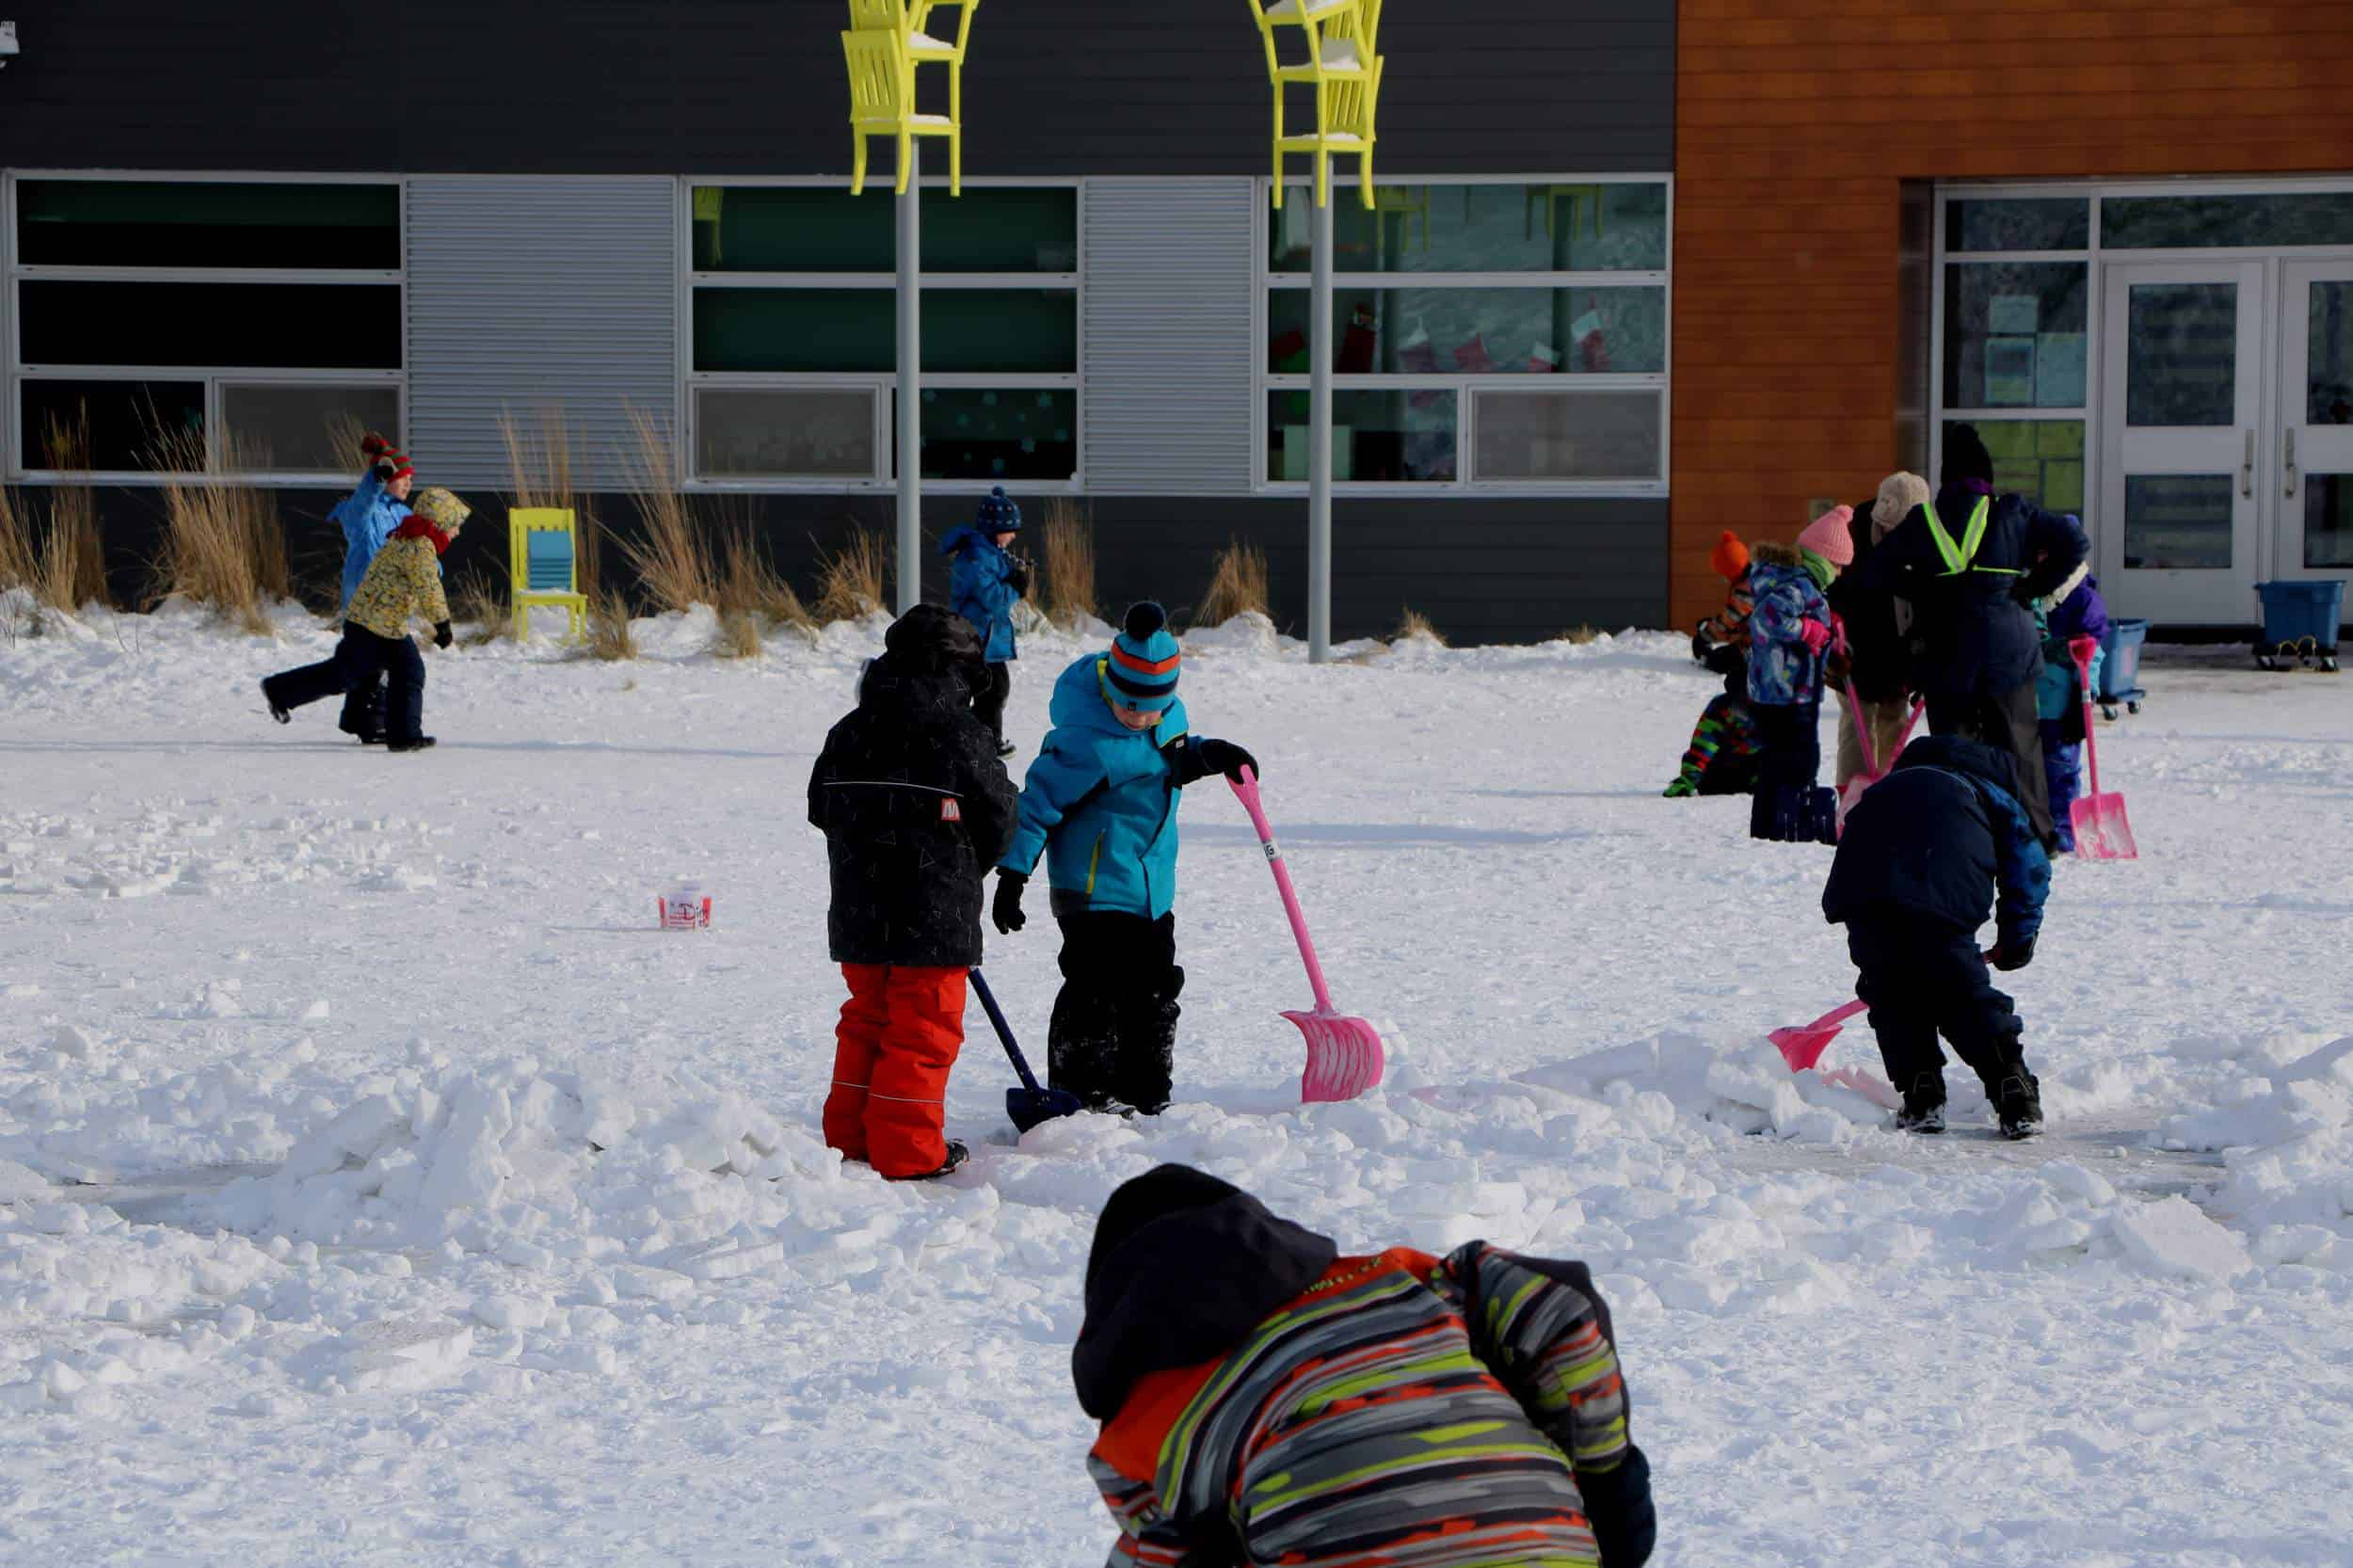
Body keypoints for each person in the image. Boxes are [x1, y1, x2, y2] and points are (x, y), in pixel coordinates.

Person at [1075, 1164, 1657, 1568]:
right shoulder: (1404, 1288)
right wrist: (1606, 1483)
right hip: (1546, 1544)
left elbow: (1160, 1550)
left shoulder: (1159, 1412)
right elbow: (1560, 1308)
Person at [990, 603, 1257, 1116]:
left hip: (1149, 884)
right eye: (1127, 705)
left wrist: (1208, 754)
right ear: (1110, 687)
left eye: (1150, 708)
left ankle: (1146, 1088)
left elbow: (1170, 753)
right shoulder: (1084, 742)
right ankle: (1083, 1093)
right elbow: (1036, 806)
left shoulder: (1165, 717)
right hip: (1091, 887)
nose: (1137, 716)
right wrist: (1013, 874)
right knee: (1097, 989)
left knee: (1155, 988)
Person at [807, 604, 1016, 1181]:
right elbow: (1000, 818)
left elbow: (820, 807)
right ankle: (906, 1151)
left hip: (858, 908)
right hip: (936, 912)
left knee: (867, 1020)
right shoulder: (960, 734)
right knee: (921, 1030)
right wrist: (963, 866)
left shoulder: (850, 729)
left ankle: (847, 1138)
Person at [1847, 424, 2089, 847]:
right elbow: (2074, 542)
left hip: (1946, 654)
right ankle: (2035, 837)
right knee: (2019, 747)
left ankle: (1959, 832)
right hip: (2009, 653)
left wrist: (1926, 590)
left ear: (1945, 476)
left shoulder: (1924, 521)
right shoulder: (2012, 511)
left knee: (1952, 750)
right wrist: (2035, 585)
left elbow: (1874, 572)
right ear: (1986, 475)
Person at [1821, 734, 2053, 1138]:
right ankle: (2012, 1089)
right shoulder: (1991, 791)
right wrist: (2018, 937)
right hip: (1941, 893)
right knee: (1960, 990)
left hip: (1865, 892)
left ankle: (1921, 1091)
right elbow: (2029, 867)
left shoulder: (1889, 786)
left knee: (1891, 989)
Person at [261, 487, 471, 753]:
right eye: (455, 525)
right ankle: (280, 690)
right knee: (354, 674)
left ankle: (399, 733)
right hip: (374, 627)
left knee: (387, 673)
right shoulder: (419, 546)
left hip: (380, 624)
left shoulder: (409, 537)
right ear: (439, 523)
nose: (457, 532)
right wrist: (442, 625)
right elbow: (428, 588)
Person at [1744, 509, 1851, 841]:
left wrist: (1826, 626)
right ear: (1823, 559)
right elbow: (1766, 619)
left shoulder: (1796, 584)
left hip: (1777, 689)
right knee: (1798, 759)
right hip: (1788, 691)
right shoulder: (1799, 586)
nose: (1839, 573)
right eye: (1837, 565)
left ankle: (1768, 824)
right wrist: (1808, 630)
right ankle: (1788, 821)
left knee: (1776, 760)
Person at [1827, 472, 1929, 788]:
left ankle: (1888, 791)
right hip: (1853, 650)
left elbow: (1930, 602)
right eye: (1887, 527)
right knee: (1856, 728)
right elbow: (1830, 591)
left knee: (1893, 723)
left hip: (1898, 651)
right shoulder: (1851, 534)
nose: (1892, 535)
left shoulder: (1925, 542)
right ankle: (1851, 797)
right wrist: (1833, 641)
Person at [326, 434, 416, 744]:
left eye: (410, 479)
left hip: (392, 602)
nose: (408, 485)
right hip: (364, 601)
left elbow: (419, 551)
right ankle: (371, 721)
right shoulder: (361, 513)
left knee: (372, 663)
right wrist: (375, 478)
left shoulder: (404, 515)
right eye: (402, 479)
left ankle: (358, 718)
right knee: (382, 663)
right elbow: (363, 504)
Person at [1665, 531, 1763, 798]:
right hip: (1744, 772)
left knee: (1722, 657)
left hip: (1755, 650)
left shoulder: (1749, 586)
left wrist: (1705, 635)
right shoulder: (1774, 706)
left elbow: (1731, 620)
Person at [939, 486, 1030, 758]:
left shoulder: (990, 553)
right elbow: (992, 599)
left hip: (986, 641)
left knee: (992, 690)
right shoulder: (977, 557)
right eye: (1009, 529)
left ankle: (981, 739)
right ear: (994, 529)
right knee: (985, 690)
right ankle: (977, 741)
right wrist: (1015, 586)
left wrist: (1014, 577)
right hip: (974, 640)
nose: (1013, 535)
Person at [2034, 563, 2110, 852]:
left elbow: (2092, 654)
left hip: (2062, 704)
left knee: (2061, 767)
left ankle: (2063, 827)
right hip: (2029, 698)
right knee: (2030, 768)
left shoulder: (2083, 600)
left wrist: (2084, 701)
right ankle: (2036, 825)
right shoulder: (2029, 592)